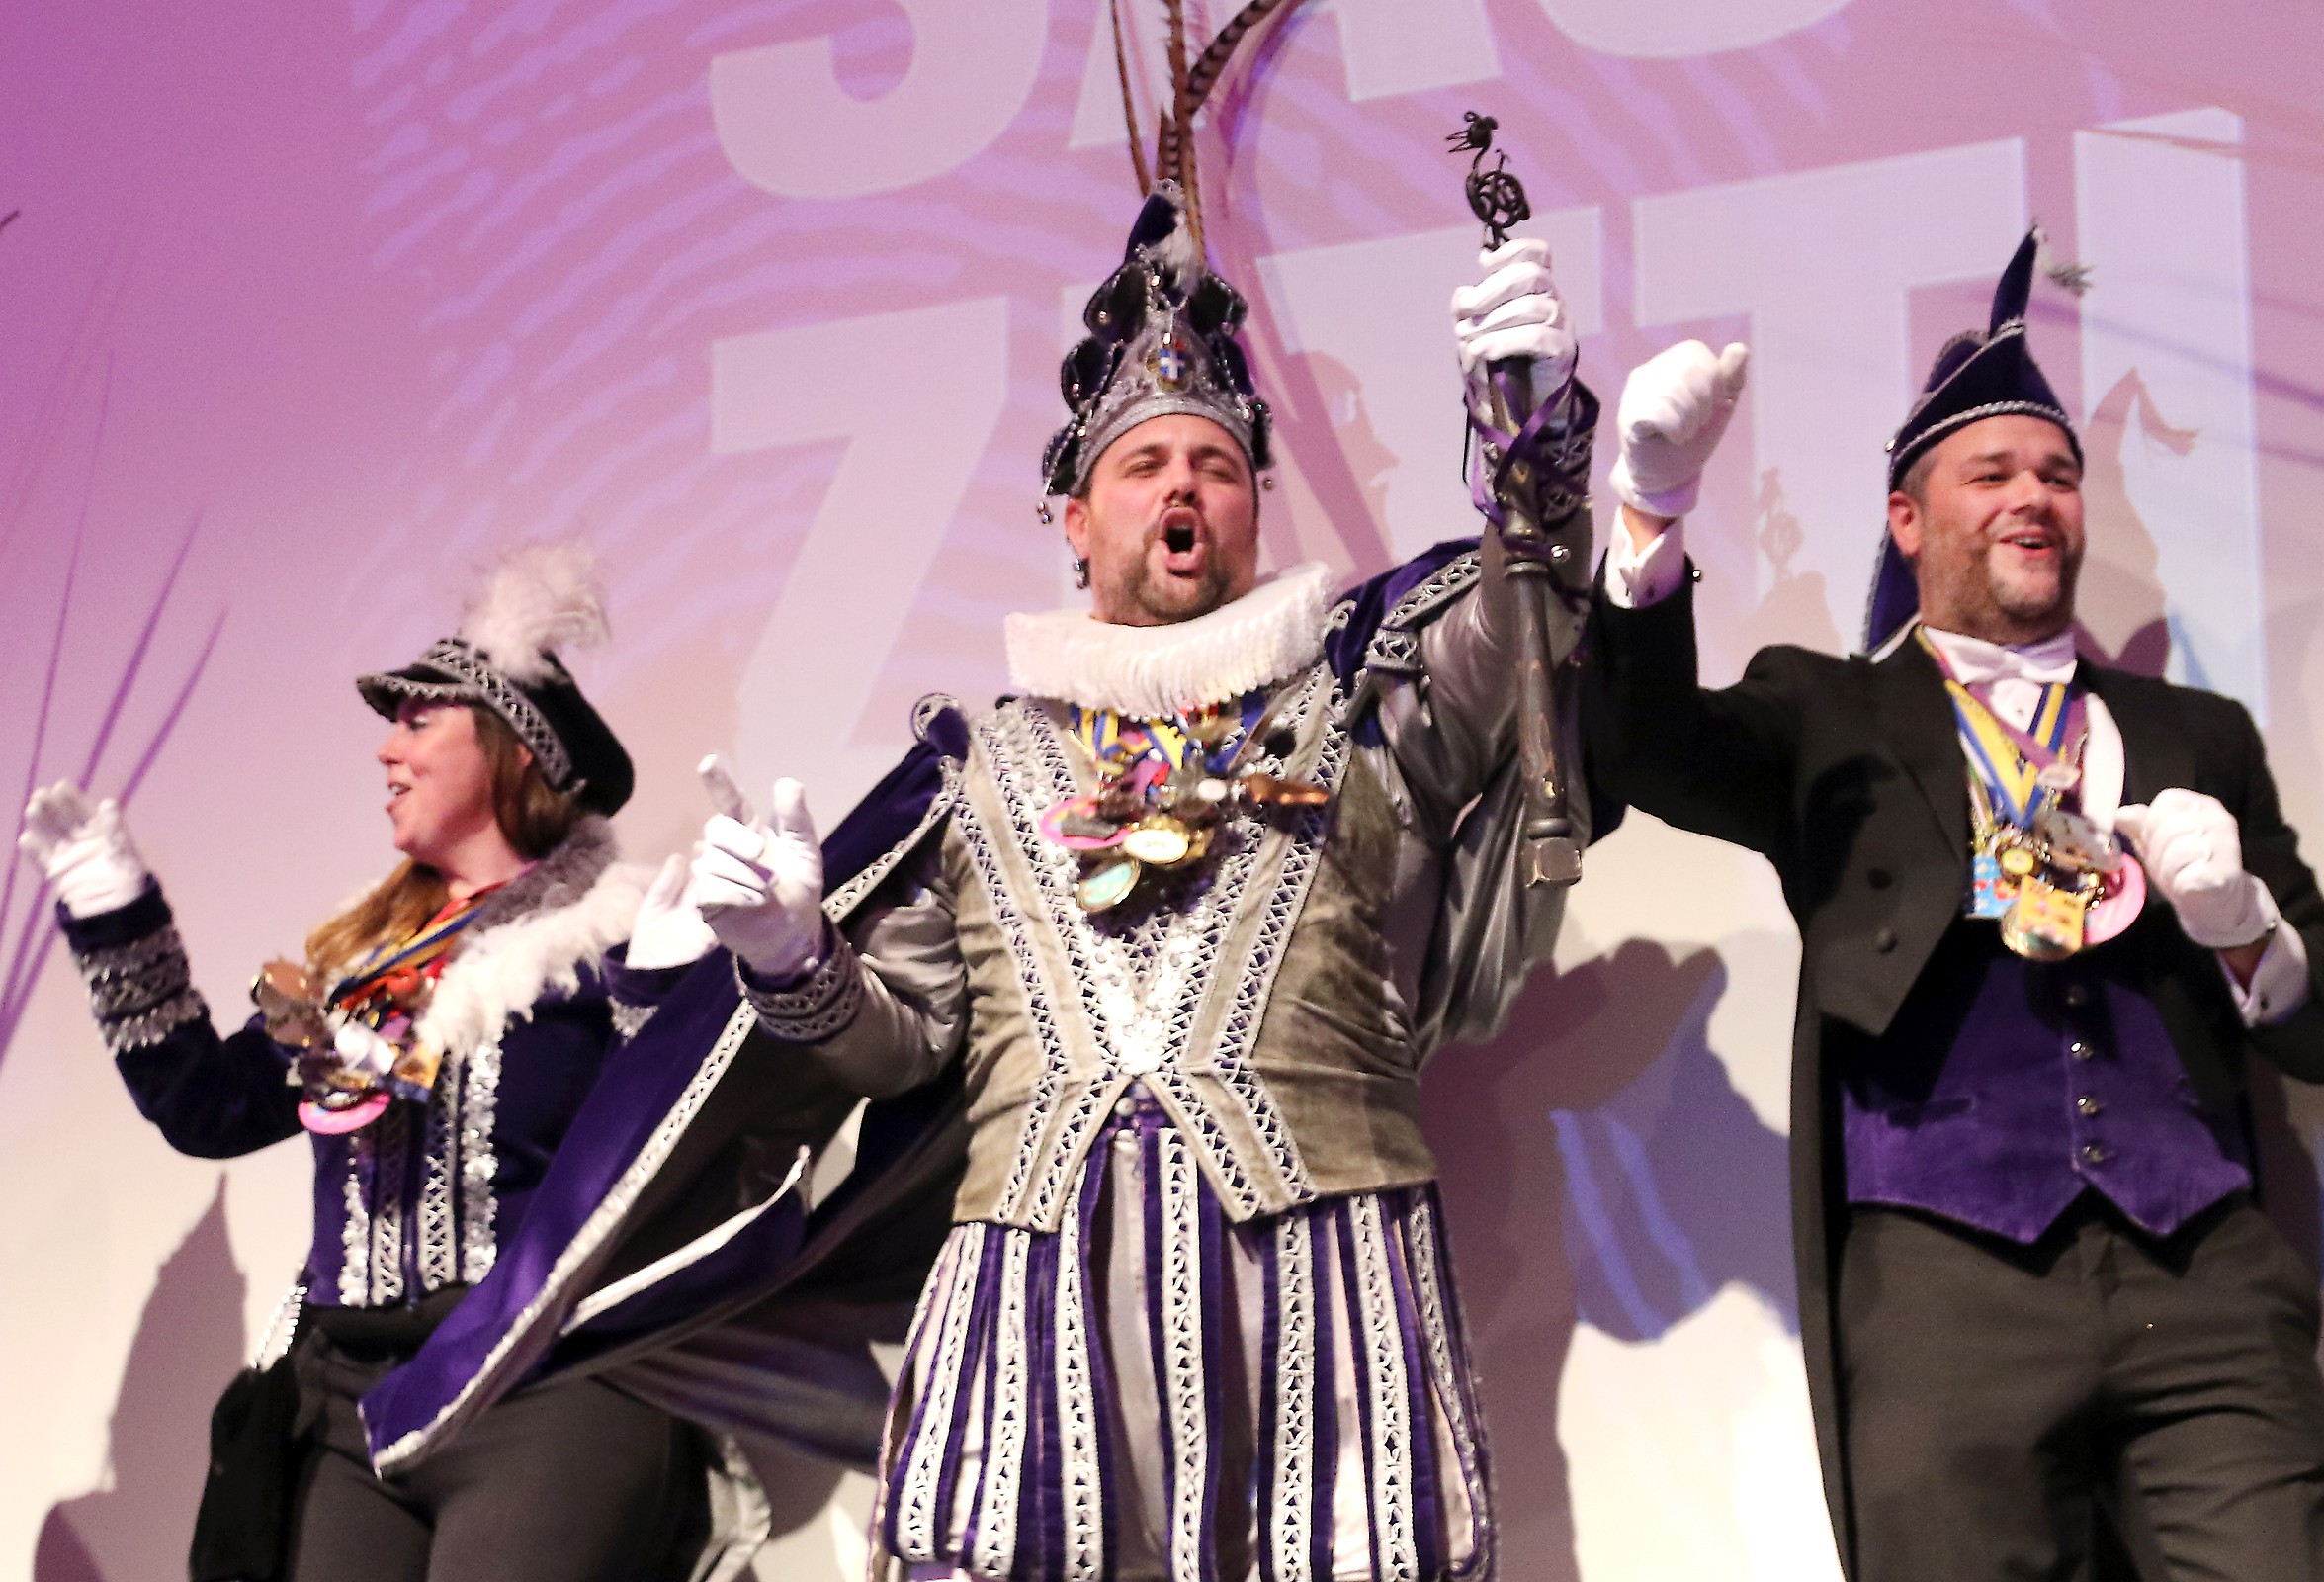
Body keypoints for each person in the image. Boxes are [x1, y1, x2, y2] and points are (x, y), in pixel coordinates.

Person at [665, 180, 1609, 1580]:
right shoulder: (977, 770)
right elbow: (904, 1045)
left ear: (1252, 508)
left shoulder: (1366, 708)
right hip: (1033, 1297)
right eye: (1145, 464)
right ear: (1075, 519)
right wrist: (792, 958)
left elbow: (1524, 611)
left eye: (1216, 465)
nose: (1182, 487)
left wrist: (1531, 438)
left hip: (1327, 1283)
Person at [1578, 229, 2324, 1578]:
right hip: (1943, 1300)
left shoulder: (2196, 734)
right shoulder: (1829, 712)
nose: (2033, 497)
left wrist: (2246, 927)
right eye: (1991, 472)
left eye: (2057, 474)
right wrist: (1652, 511)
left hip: (2210, 1287)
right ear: (1908, 519)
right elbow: (1645, 747)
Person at [17, 546, 721, 1582]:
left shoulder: (614, 935)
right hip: (353, 1403)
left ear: (515, 750)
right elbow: (207, 1110)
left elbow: (692, 1148)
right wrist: (113, 910)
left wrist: (690, 989)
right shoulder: (372, 969)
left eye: (418, 721)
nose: (386, 750)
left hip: (543, 1387)